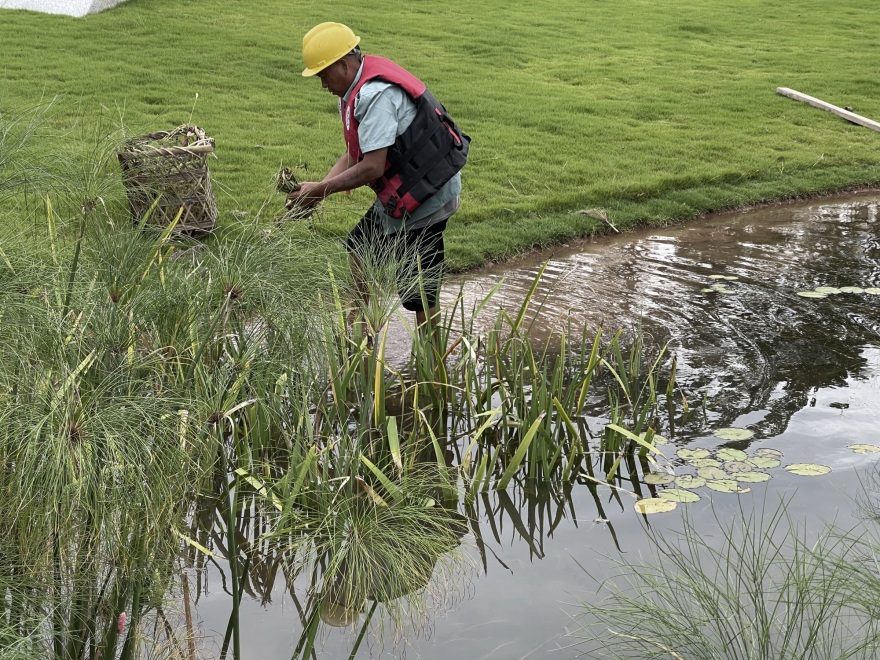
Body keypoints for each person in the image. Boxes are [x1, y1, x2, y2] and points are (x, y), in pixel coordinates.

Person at [286, 22, 470, 336]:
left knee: (417, 290)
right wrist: (317, 192)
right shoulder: (352, 90)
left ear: (343, 65)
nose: (322, 84)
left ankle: (431, 362)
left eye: (323, 75)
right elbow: (353, 153)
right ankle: (364, 327)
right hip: (406, 192)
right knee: (359, 248)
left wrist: (320, 190)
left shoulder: (375, 96)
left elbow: (371, 167)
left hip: (430, 196)